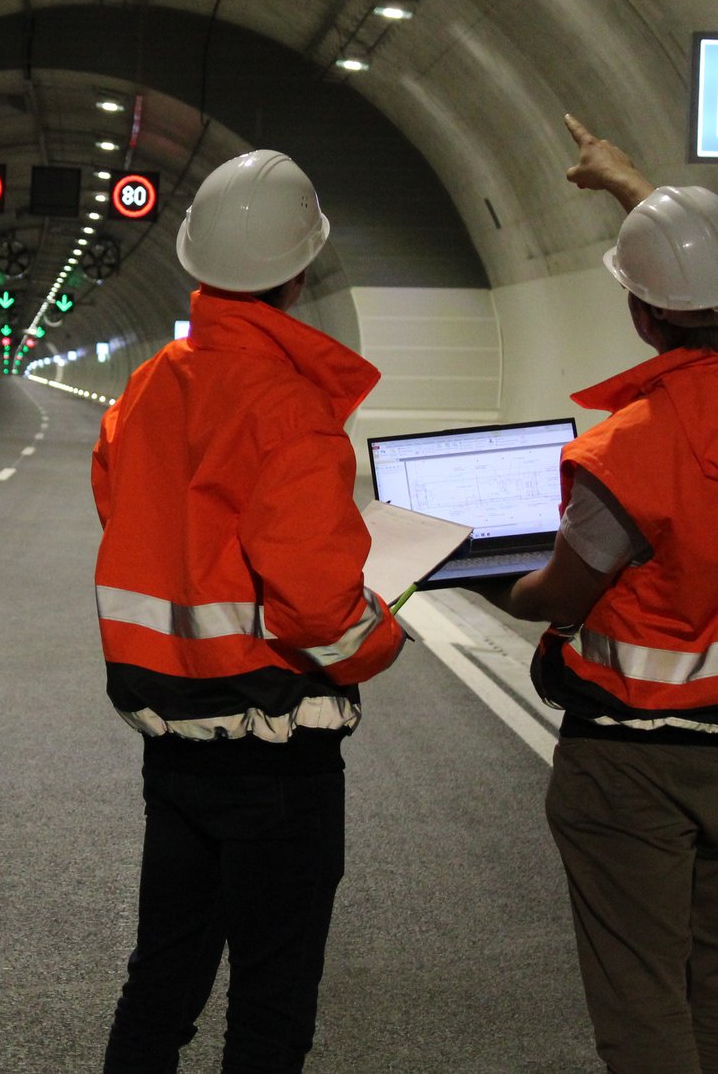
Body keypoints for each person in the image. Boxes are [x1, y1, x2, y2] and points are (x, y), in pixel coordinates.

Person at [91, 148, 406, 1074]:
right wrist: (384, 629)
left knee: (163, 981)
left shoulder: (149, 384)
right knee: (270, 1003)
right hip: (278, 752)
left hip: (171, 736)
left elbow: (130, 513)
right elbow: (318, 615)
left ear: (193, 263)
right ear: (300, 270)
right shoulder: (292, 410)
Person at [479, 114, 718, 1074]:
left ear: (642, 317)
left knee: (644, 996)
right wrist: (629, 184)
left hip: (636, 761)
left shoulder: (629, 450)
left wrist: (495, 581)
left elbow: (558, 593)